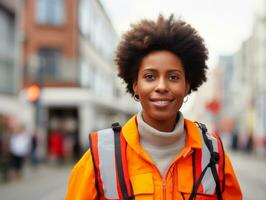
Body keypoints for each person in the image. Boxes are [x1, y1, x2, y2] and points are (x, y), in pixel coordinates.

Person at [66, 15, 242, 200]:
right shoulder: (100, 156)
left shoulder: (213, 152)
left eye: (173, 77)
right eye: (150, 77)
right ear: (135, 84)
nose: (162, 86)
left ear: (187, 85)